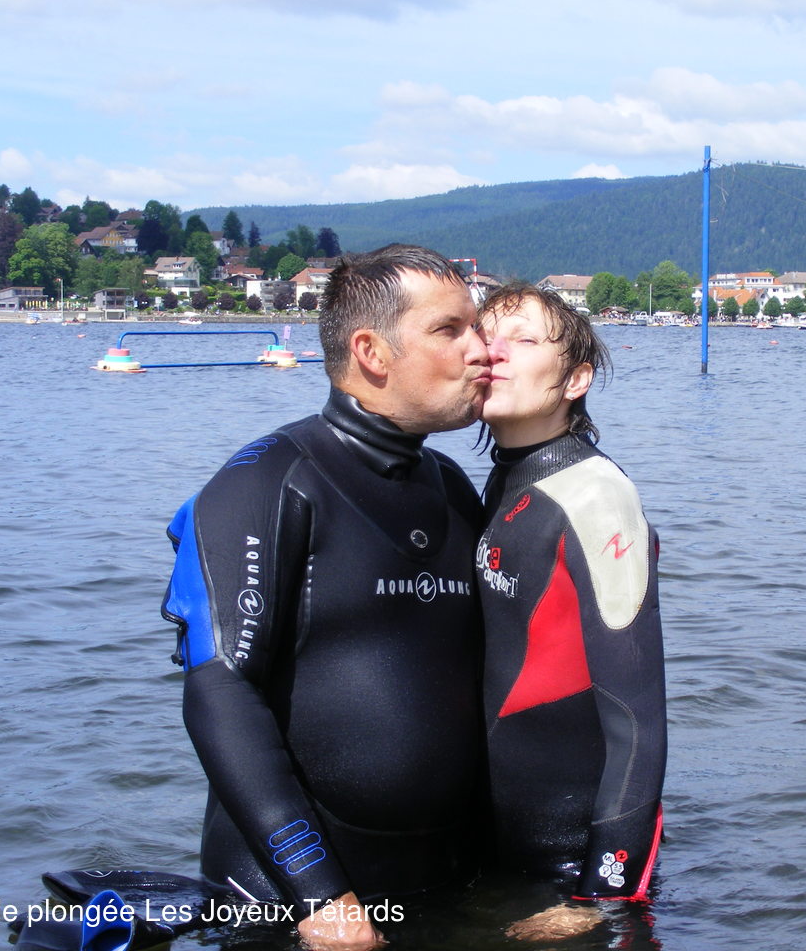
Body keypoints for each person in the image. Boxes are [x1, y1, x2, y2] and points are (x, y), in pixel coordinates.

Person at [161, 244, 492, 951]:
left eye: (478, 327)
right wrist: (320, 898)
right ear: (371, 351)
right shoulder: (268, 482)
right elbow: (219, 692)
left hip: (446, 886)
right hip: (294, 907)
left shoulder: (452, 487)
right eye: (450, 329)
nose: (481, 349)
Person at [473, 284, 666, 929]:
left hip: (573, 872)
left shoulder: (596, 495)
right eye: (486, 336)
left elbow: (638, 720)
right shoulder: (511, 478)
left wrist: (601, 900)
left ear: (576, 380)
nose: (495, 352)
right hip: (507, 854)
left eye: (524, 340)